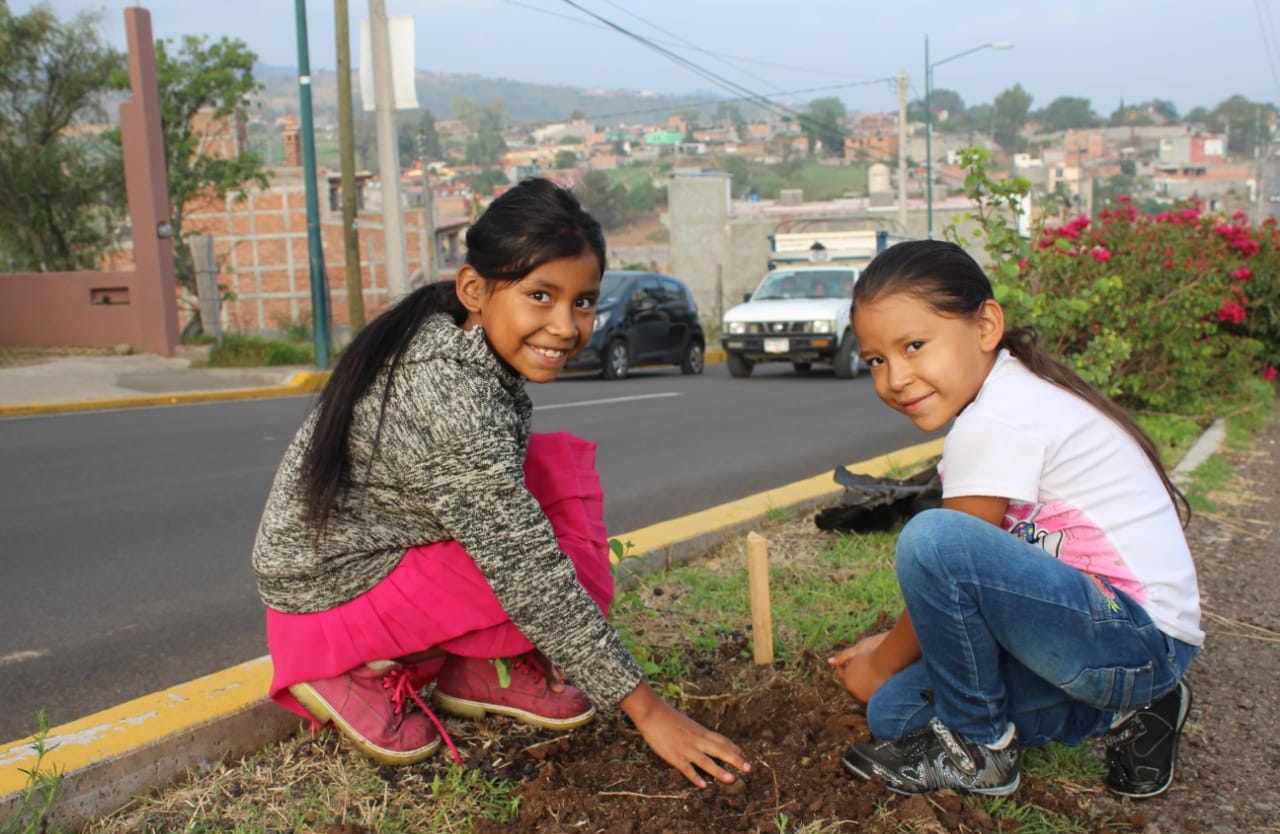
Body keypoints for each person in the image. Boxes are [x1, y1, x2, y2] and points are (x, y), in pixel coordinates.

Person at [251, 178, 750, 789]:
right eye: (540, 296)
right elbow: (526, 571)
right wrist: (650, 713)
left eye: (584, 302)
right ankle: (344, 671)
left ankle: (477, 667)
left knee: (549, 477)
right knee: (553, 558)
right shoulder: (448, 389)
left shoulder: (468, 349)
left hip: (373, 559)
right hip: (329, 596)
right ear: (474, 290)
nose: (566, 326)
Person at [829, 239, 1201, 799]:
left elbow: (953, 559)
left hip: (1133, 637)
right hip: (1106, 643)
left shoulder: (995, 419)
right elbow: (980, 585)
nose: (896, 378)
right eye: (877, 360)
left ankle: (979, 751)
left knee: (932, 539)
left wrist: (880, 661)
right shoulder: (1008, 392)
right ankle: (1137, 708)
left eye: (914, 345)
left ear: (985, 326)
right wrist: (891, 659)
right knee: (897, 712)